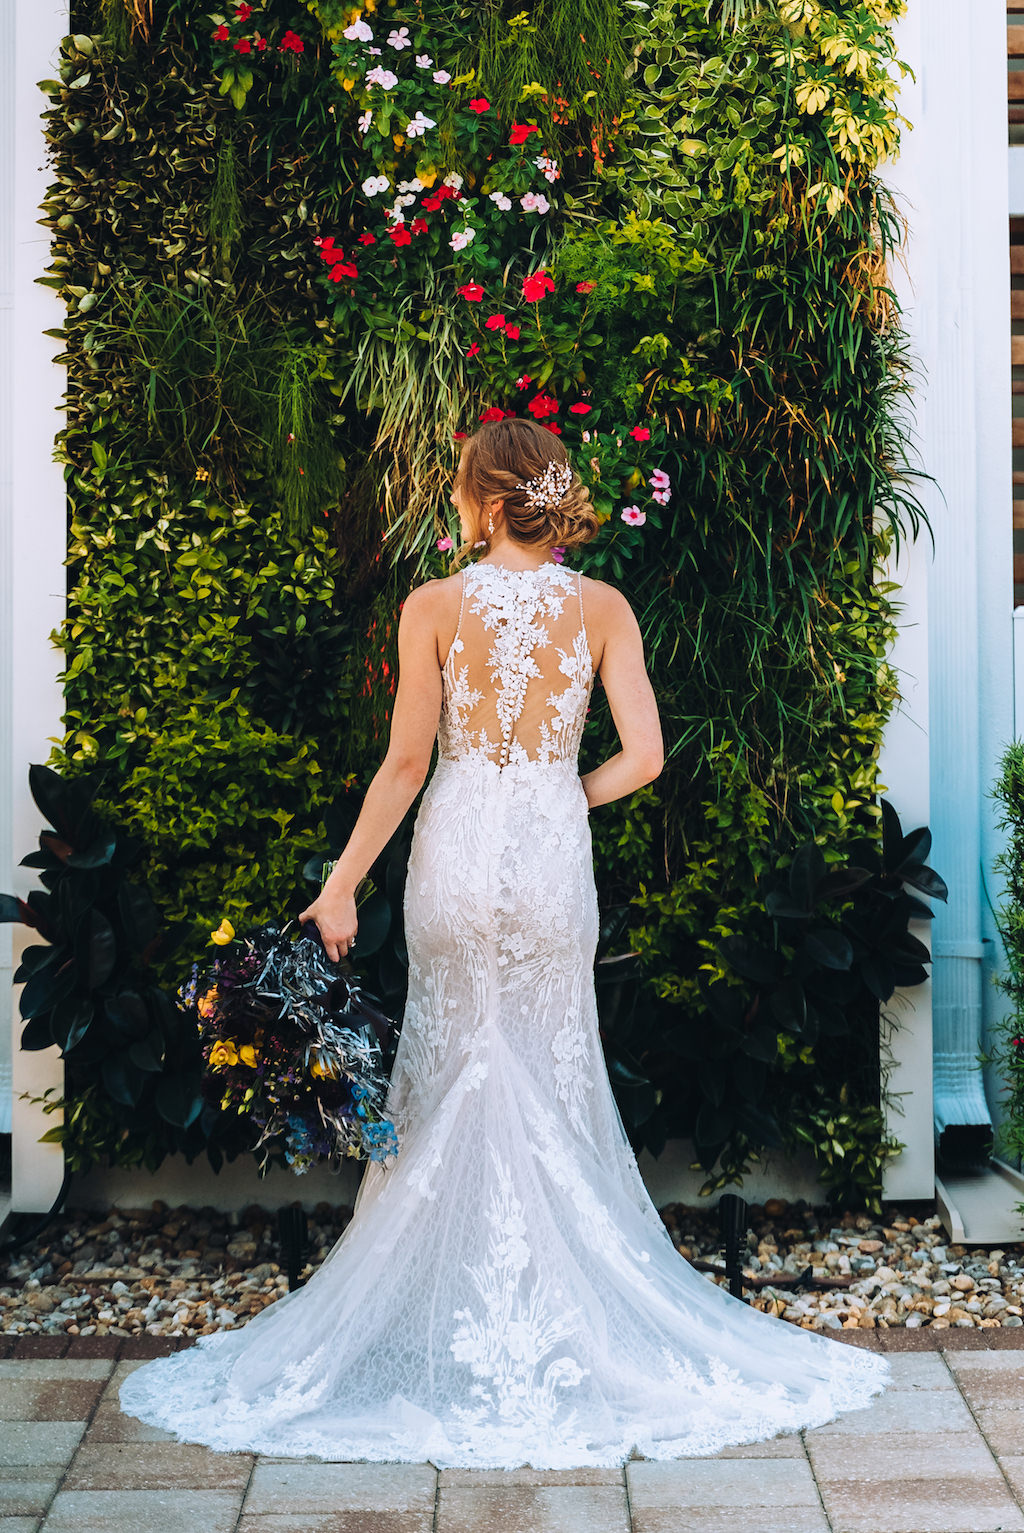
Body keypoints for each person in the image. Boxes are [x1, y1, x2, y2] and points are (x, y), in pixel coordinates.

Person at [118, 418, 890, 1468]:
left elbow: (402, 765)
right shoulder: (602, 607)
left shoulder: (432, 607)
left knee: (447, 1073)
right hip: (545, 854)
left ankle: (437, 1321)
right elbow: (648, 756)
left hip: (455, 852)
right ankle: (558, 1321)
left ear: (483, 503)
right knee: (547, 1071)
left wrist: (341, 887)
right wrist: (565, 793)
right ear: (543, 497)